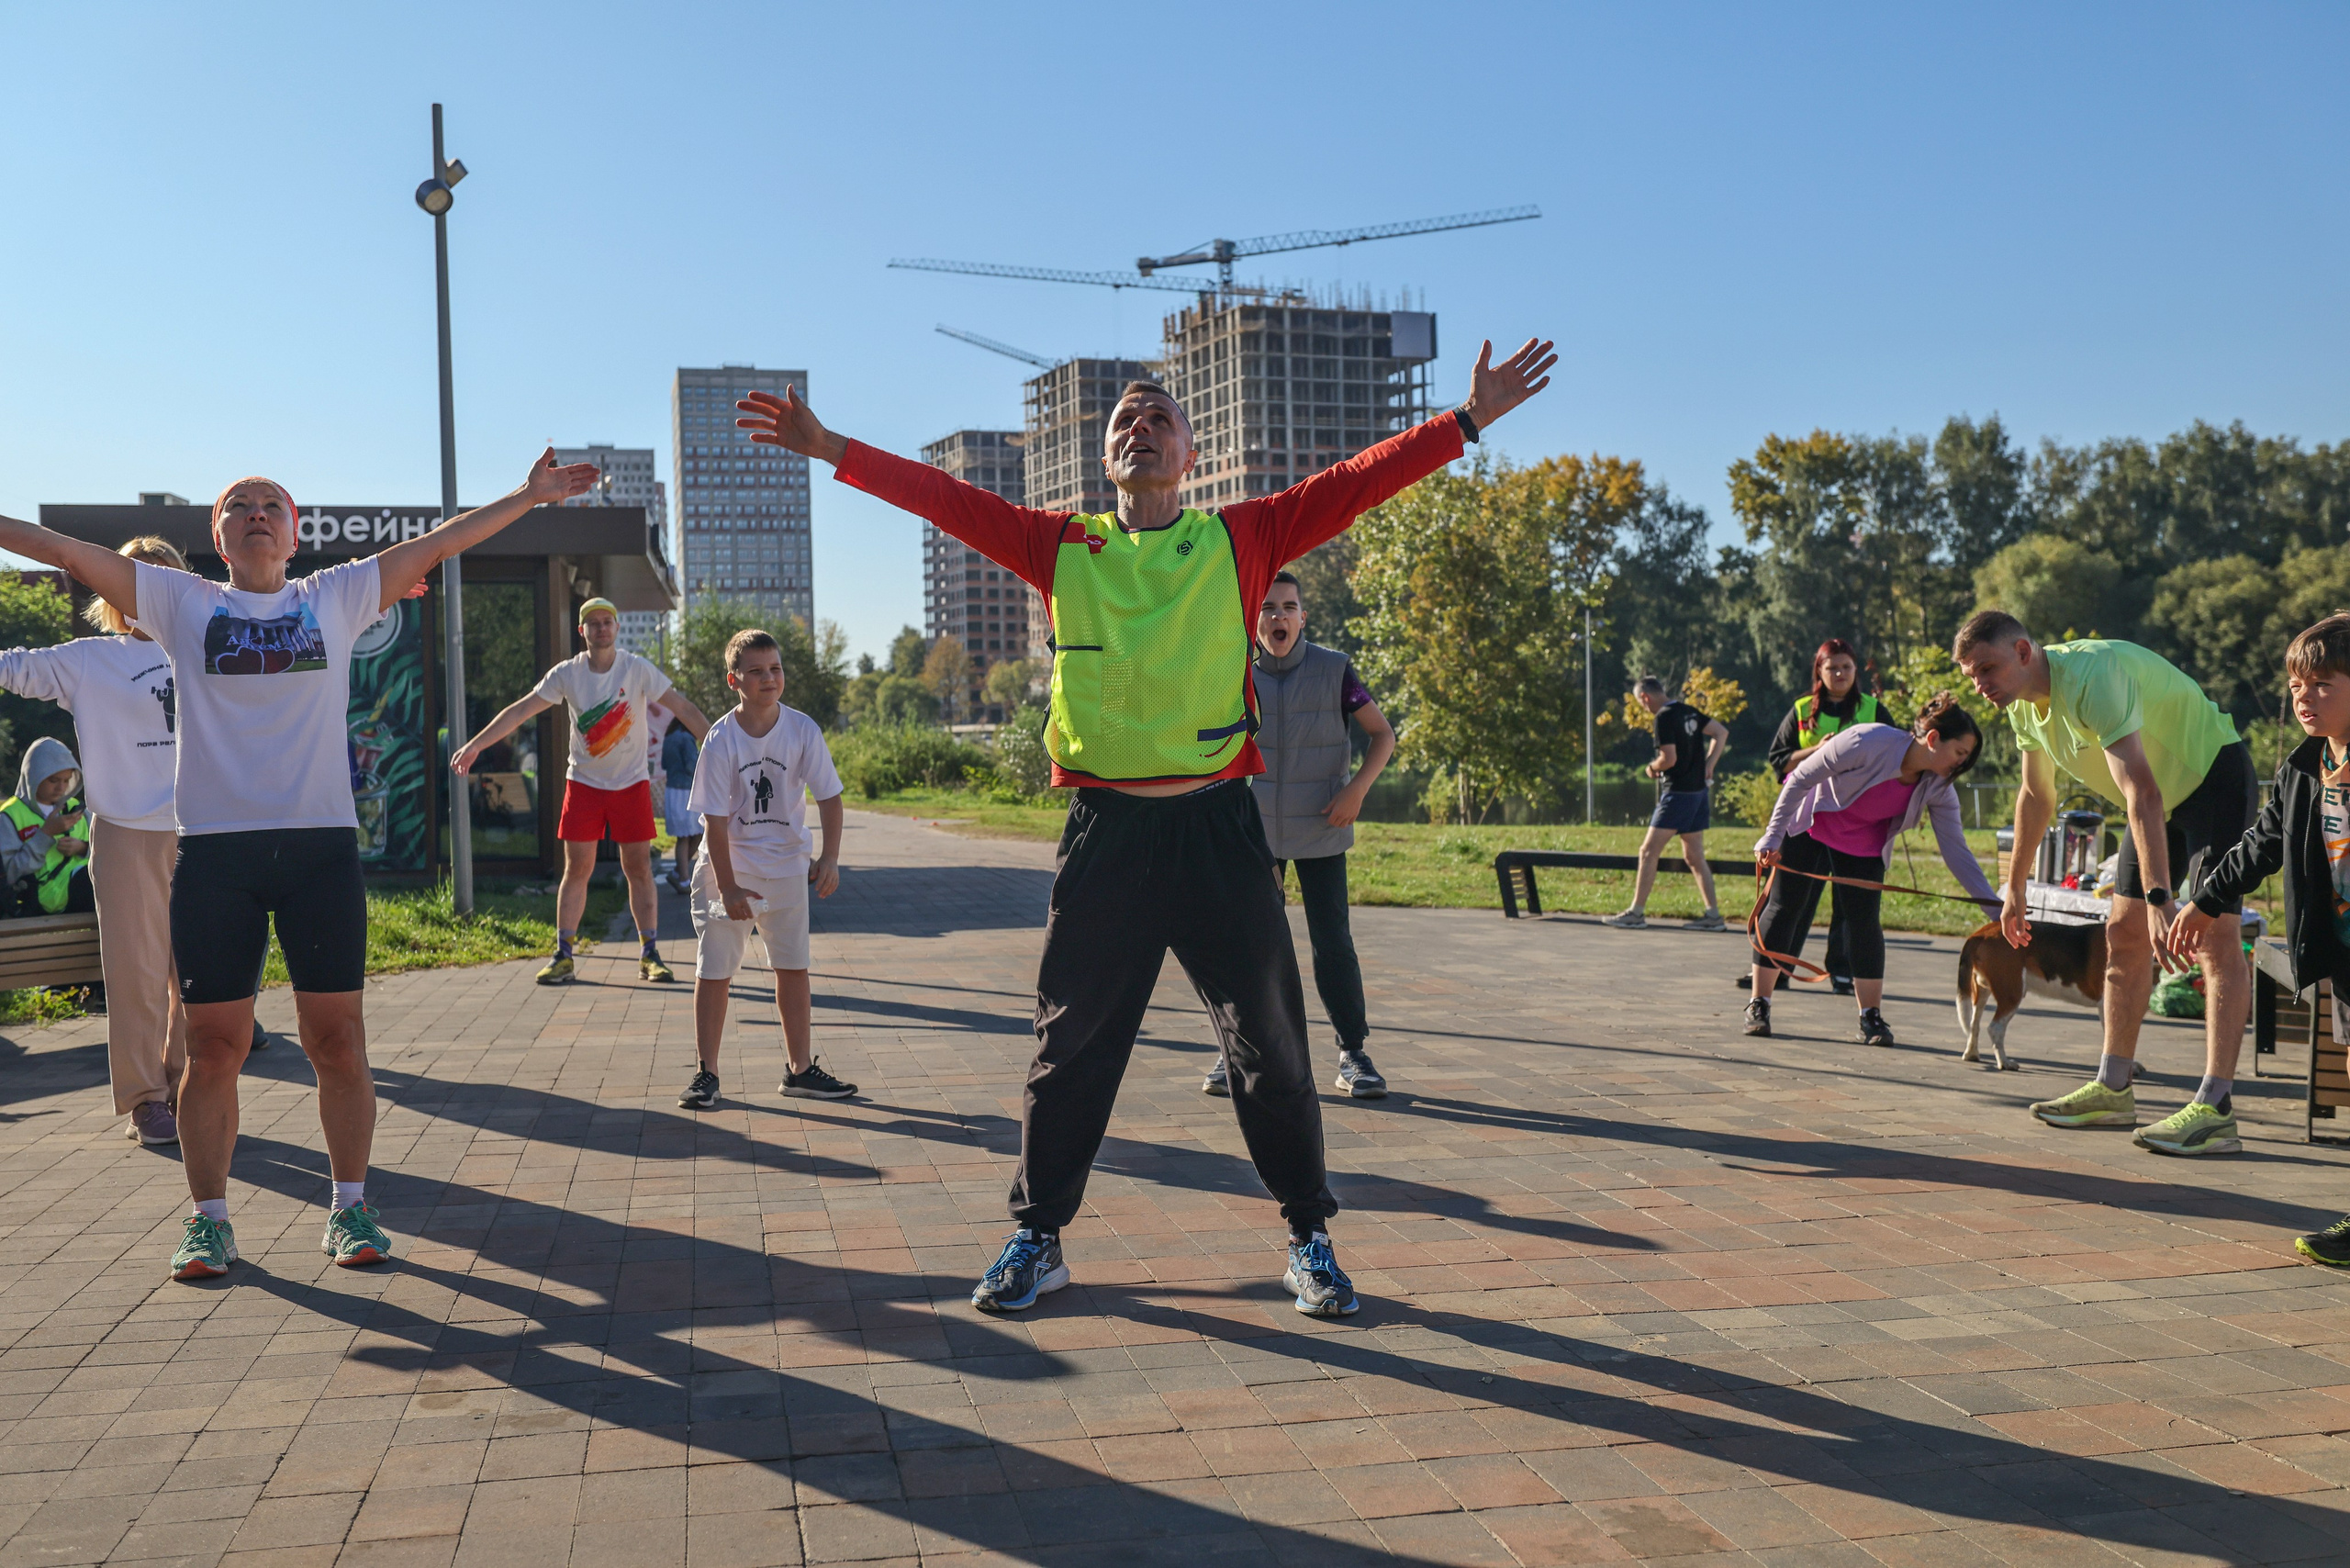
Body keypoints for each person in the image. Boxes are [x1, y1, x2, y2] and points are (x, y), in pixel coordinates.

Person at [738, 335, 1554, 1318]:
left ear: (1191, 456)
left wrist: (1462, 422)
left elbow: (1354, 483)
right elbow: (943, 501)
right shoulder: (1061, 545)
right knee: (1068, 1048)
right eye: (1124, 418)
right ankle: (1038, 1238)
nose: (1140, 425)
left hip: (1217, 832)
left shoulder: (1237, 538)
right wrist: (834, 447)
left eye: (1159, 417)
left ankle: (1309, 1236)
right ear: (1105, 459)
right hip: (1108, 836)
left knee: (1273, 1045)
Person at [0, 451, 603, 1281]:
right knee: (216, 1046)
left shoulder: (335, 595)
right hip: (217, 856)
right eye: (237, 504)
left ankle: (350, 1208)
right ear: (217, 537)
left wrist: (530, 497)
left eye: (270, 504)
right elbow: (67, 552)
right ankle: (209, 1221)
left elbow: (438, 543)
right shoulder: (181, 602)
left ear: (294, 534)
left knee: (338, 1040)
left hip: (318, 849)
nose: (254, 511)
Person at [1954, 610, 2255, 1156]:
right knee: (2123, 931)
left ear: (2023, 652)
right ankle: (2113, 1089)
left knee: (2215, 936)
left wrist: (2164, 898)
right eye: (1972, 676)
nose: (1981, 685)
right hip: (2156, 800)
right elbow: (2035, 796)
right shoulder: (2025, 707)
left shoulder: (2093, 676)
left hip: (2212, 777)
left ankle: (2216, 1108)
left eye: (1988, 669)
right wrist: (2015, 886)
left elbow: (2141, 789)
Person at [0, 536, 191, 1145]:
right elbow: (13, 667)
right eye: (134, 578)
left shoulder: (210, 649)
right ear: (110, 591)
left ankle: (190, 1086)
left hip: (205, 832)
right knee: (135, 975)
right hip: (128, 834)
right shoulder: (89, 660)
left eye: (164, 578)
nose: (148, 591)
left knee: (203, 977)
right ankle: (145, 1099)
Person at [2177, 614, 2350, 1255]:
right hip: (2343, 952)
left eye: (2324, 684)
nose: (2304, 698)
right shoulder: (2305, 767)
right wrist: (2204, 899)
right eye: (2297, 685)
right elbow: (2263, 843)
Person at [1205, 569, 1396, 1100]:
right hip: (1255, 834)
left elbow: (1383, 735)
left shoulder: (1335, 671)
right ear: (1254, 618)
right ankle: (1233, 1051)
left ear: (1302, 616)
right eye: (1267, 608)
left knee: (1333, 944)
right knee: (1247, 944)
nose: (1278, 617)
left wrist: (1357, 791)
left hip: (1323, 828)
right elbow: (1208, 751)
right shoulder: (1232, 673)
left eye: (1288, 607)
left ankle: (1353, 1053)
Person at [453, 597, 710, 985]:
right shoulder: (567, 674)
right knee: (577, 869)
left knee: (638, 868)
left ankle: (649, 954)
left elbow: (685, 709)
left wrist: (719, 749)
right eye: (594, 623)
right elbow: (520, 711)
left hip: (631, 784)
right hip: (584, 785)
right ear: (582, 631)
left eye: (608, 622)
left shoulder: (636, 669)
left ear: (617, 629)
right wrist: (476, 745)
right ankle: (564, 955)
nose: (602, 628)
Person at [1745, 698, 1998, 1043]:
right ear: (1934, 738)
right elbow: (1800, 778)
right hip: (1811, 822)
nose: (1962, 763)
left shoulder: (1938, 788)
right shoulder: (1867, 741)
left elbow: (1958, 854)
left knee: (1863, 922)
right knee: (1785, 906)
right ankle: (1759, 1003)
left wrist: (1995, 909)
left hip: (1862, 841)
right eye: (1960, 752)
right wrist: (1772, 836)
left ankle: (1871, 1017)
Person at [675, 630, 853, 1110]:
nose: (768, 678)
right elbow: (713, 822)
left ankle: (800, 1071)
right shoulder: (720, 739)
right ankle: (705, 1074)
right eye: (755, 671)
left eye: (774, 668)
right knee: (715, 970)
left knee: (793, 968)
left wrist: (830, 857)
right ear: (734, 680)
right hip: (726, 872)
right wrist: (729, 887)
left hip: (788, 869)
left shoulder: (801, 730)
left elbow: (830, 796)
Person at [1754, 638, 1882, 994]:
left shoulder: (1873, 708)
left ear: (1856, 671)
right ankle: (1776, 969)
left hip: (1855, 822)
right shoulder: (1800, 710)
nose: (1839, 673)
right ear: (1819, 672)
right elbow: (1779, 759)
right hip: (1806, 819)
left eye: (1846, 667)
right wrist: (1818, 751)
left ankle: (1841, 971)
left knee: (1849, 902)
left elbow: (1894, 758)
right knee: (1793, 899)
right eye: (1832, 668)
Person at [1603, 677, 1729, 930]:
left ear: (1645, 697)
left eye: (1641, 703)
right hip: (1698, 793)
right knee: (1694, 855)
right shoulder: (1687, 711)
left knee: (1648, 852)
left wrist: (1651, 768)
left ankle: (1636, 913)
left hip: (1678, 793)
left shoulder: (1663, 717)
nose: (1644, 708)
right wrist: (1709, 766)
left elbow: (1668, 759)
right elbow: (1721, 732)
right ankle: (1713, 916)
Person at [1, 738, 94, 918]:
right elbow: (8, 875)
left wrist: (83, 848)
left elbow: (108, 855)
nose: (61, 788)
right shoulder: (8, 816)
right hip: (37, 902)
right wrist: (46, 834)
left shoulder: (79, 808)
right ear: (34, 776)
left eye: (67, 780)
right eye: (53, 780)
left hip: (86, 893)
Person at [662, 714, 703, 894]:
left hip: (673, 790)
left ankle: (679, 873)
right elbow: (692, 766)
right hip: (687, 791)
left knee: (685, 836)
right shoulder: (686, 738)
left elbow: (664, 764)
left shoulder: (669, 737)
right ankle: (684, 879)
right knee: (693, 834)